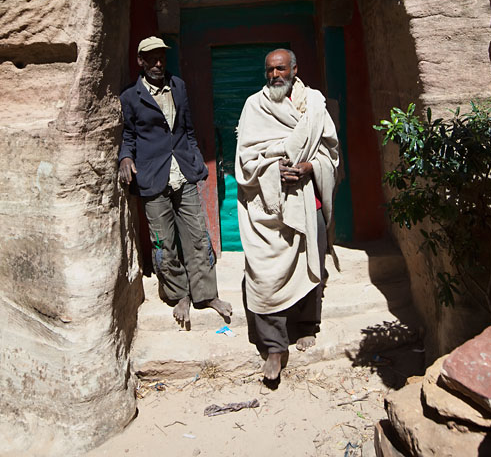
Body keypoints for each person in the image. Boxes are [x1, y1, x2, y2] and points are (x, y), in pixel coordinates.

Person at [235, 48, 339, 381]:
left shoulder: (315, 104)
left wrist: (311, 166)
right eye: (269, 70)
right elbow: (246, 160)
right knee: (265, 274)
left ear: (294, 68)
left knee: (313, 260)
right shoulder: (254, 105)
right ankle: (275, 348)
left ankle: (307, 324)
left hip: (309, 198)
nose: (275, 75)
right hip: (267, 204)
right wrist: (272, 169)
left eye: (280, 69)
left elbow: (331, 154)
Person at [118, 36, 232, 328]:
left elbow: (187, 128)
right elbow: (129, 136)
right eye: (151, 58)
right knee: (164, 243)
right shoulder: (131, 96)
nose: (158, 63)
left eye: (162, 58)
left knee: (196, 236)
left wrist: (194, 159)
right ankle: (179, 295)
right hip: (152, 178)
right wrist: (124, 159)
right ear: (140, 62)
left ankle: (206, 295)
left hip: (182, 172)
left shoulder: (178, 86)